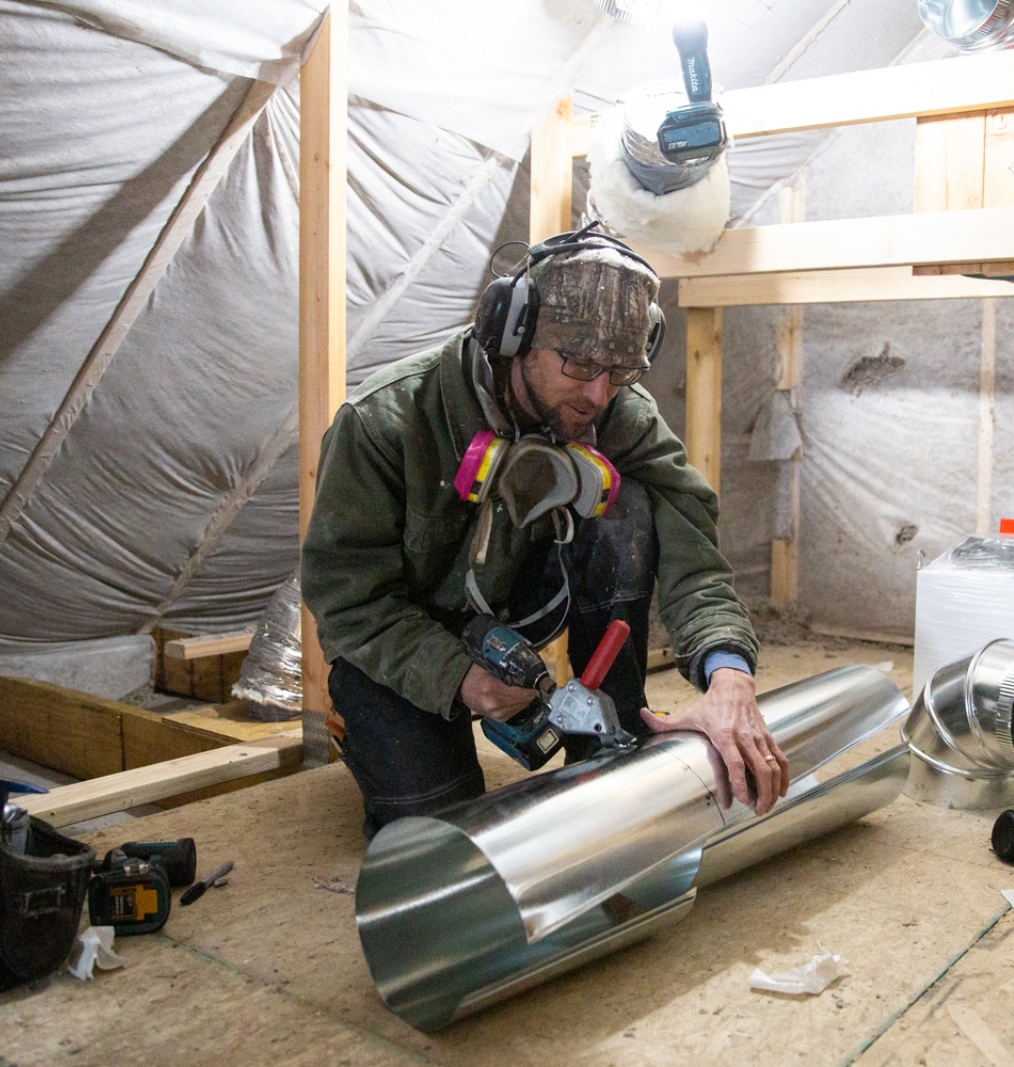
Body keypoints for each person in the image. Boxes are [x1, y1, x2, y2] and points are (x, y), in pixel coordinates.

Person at [301, 225, 787, 838]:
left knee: (630, 505)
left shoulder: (614, 413)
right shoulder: (383, 425)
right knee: (446, 836)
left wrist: (729, 675)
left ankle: (613, 734)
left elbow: (693, 547)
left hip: (512, 619)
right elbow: (347, 599)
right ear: (513, 332)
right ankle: (365, 726)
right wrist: (459, 679)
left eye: (617, 372)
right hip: (399, 646)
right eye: (578, 363)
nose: (596, 394)